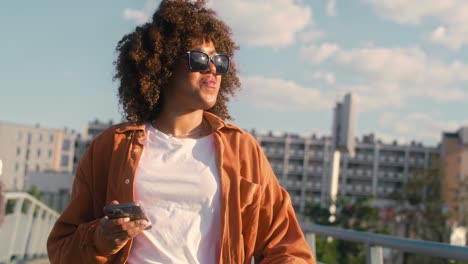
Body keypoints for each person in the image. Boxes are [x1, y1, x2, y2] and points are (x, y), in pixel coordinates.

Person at [47, 0, 315, 263]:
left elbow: (288, 248)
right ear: (163, 66)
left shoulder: (243, 150)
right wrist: (102, 239)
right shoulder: (112, 146)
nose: (212, 68)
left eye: (219, 61)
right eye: (198, 58)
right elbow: (62, 249)